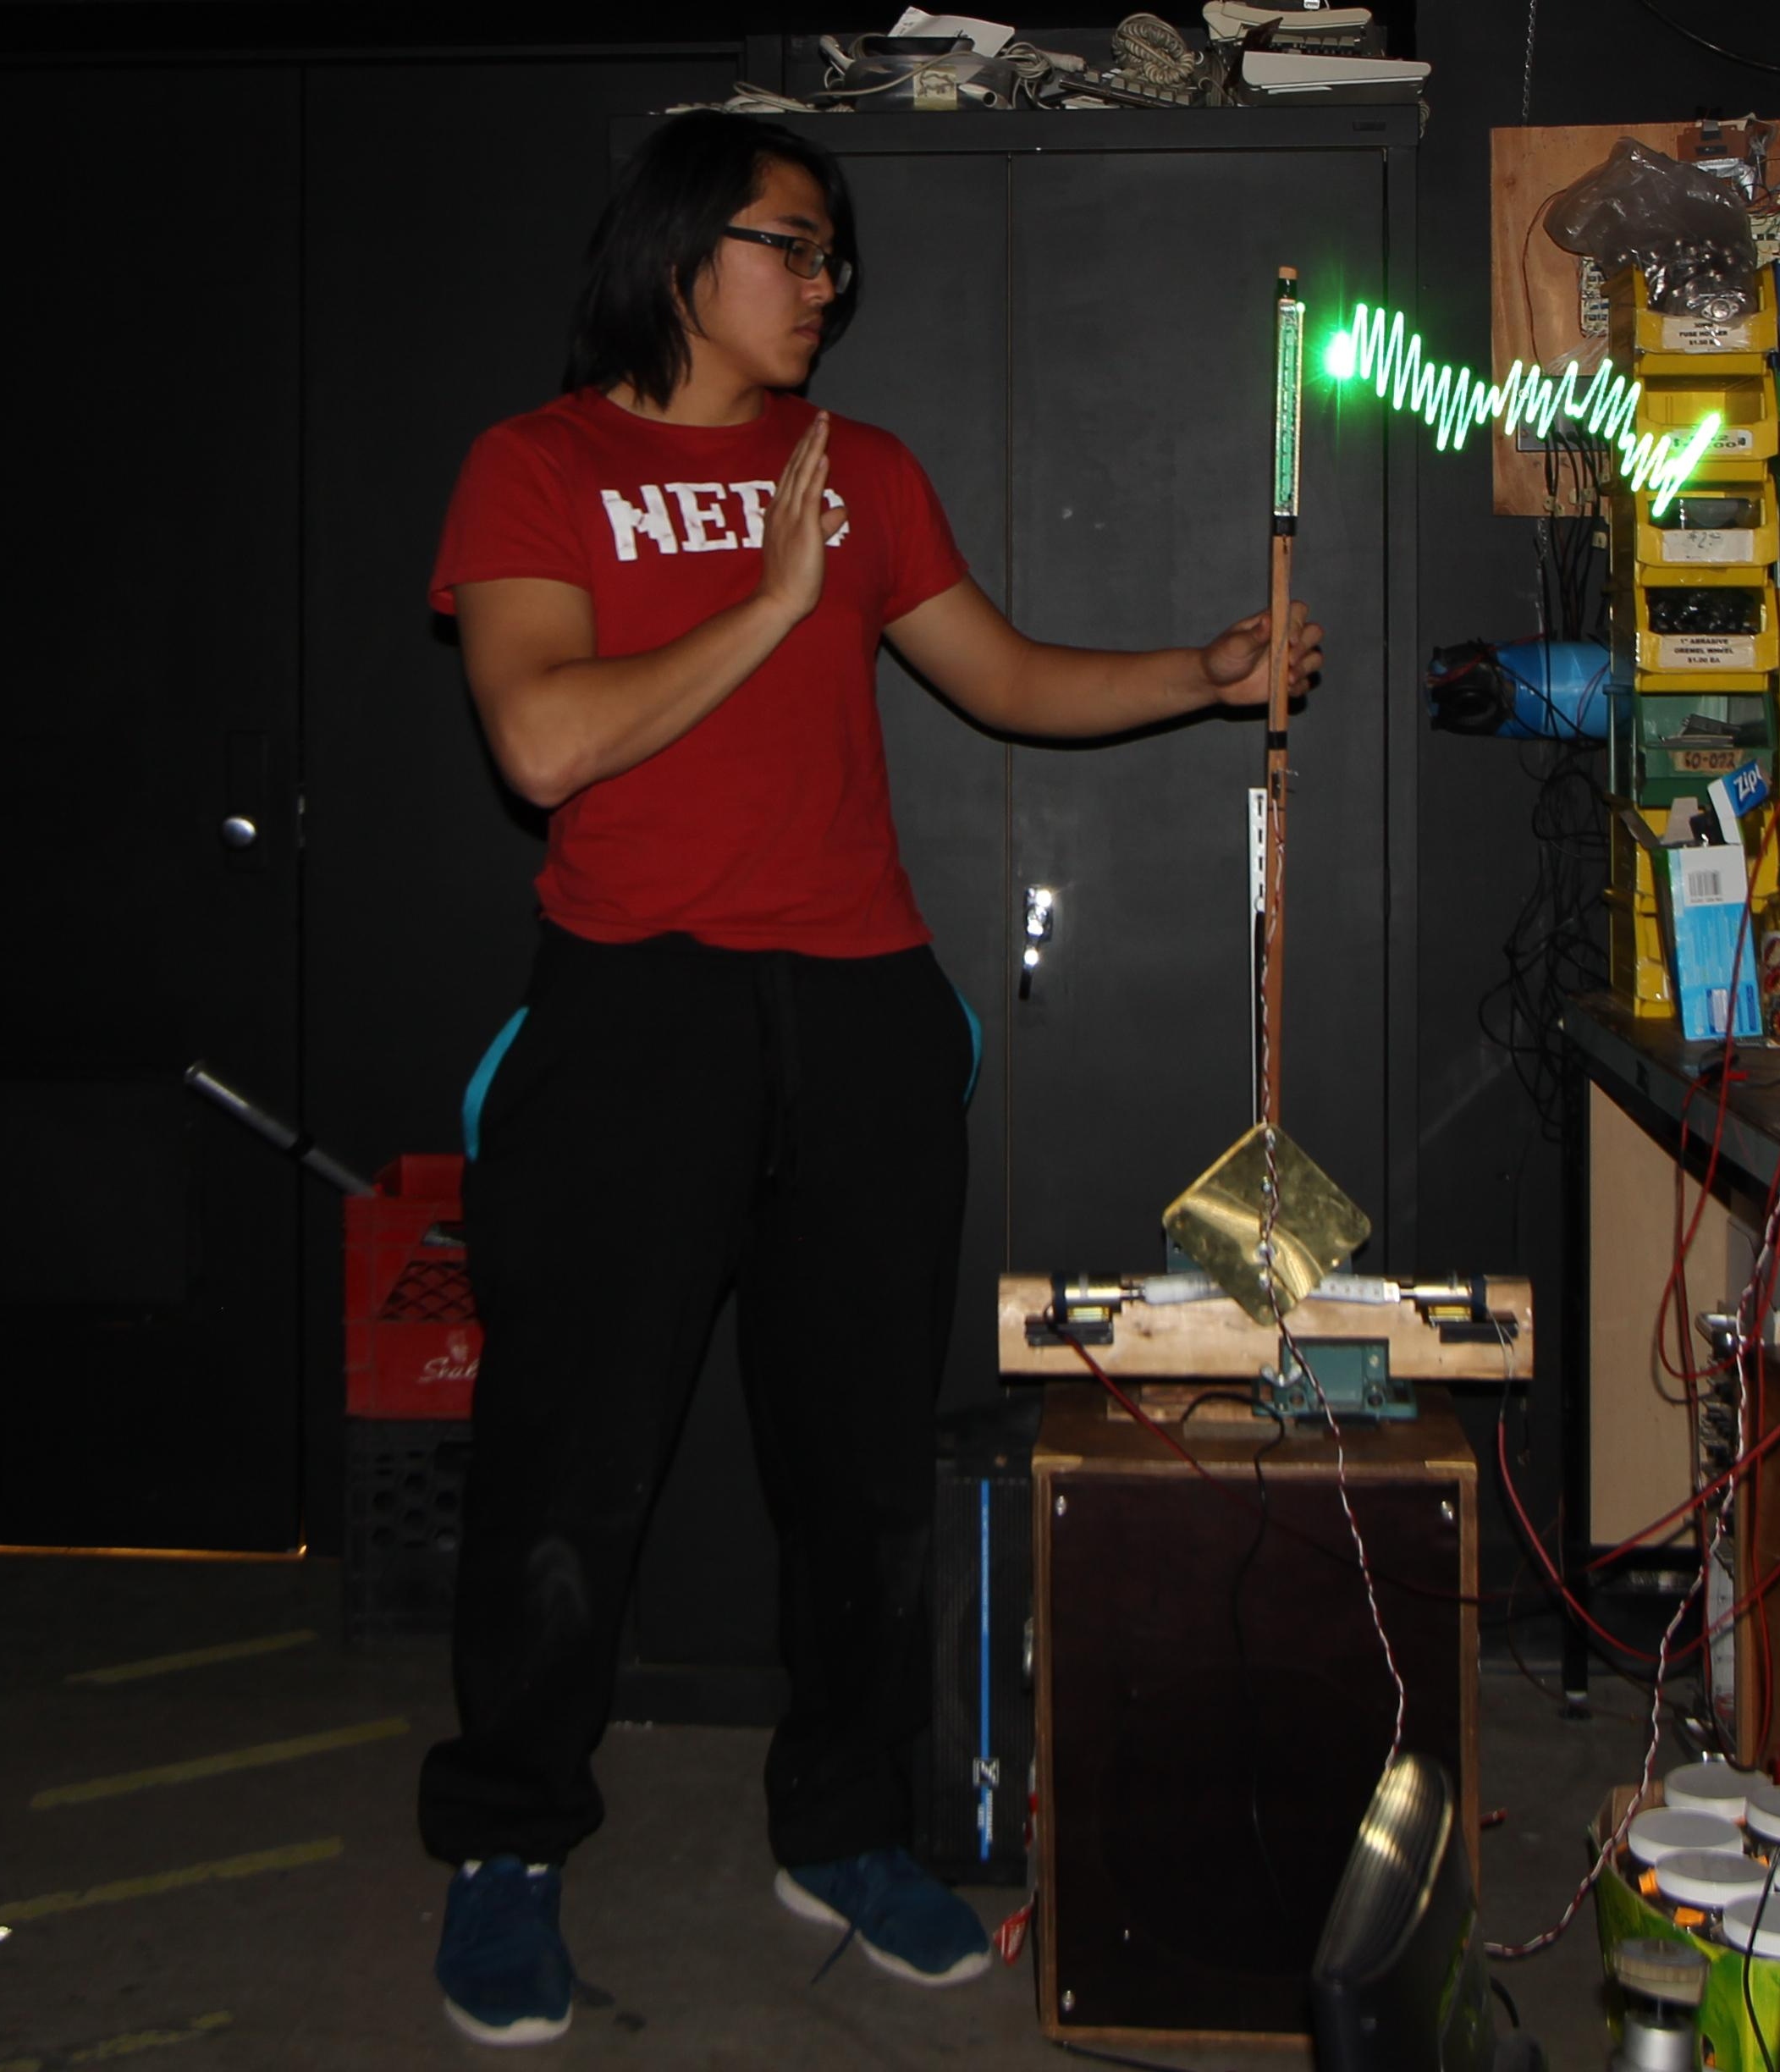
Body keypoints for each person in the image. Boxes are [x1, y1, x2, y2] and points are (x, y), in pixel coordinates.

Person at [418, 110, 1320, 2047]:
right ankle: (506, 1845)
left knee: (858, 1467)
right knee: (573, 1458)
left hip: (860, 1012)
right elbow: (544, 743)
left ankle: (844, 1826)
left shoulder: (866, 470)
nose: (826, 285)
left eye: (837, 256)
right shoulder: (540, 466)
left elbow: (1002, 676)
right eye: (793, 245)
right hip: (635, 1011)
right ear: (678, 252)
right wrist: (764, 602)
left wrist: (1202, 672)